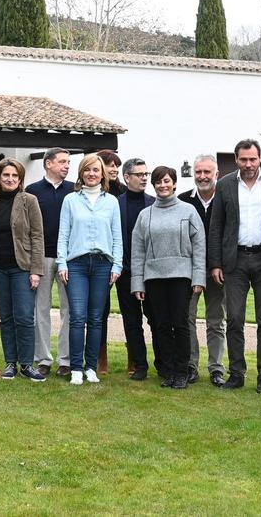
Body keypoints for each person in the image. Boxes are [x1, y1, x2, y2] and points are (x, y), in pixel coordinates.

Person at [208, 139, 261, 393]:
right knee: (234, 319)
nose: (249, 164)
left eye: (253, 159)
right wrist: (216, 263)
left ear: (260, 159)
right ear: (236, 160)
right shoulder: (224, 185)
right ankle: (237, 373)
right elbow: (216, 226)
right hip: (235, 261)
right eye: (243, 159)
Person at [130, 166, 205, 388]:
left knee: (180, 324)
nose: (163, 186)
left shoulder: (188, 211)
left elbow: (199, 246)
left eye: (166, 181)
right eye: (158, 182)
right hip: (154, 278)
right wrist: (138, 282)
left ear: (174, 183)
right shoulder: (145, 215)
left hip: (182, 276)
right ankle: (169, 371)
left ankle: (183, 371)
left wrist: (198, 278)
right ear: (154, 185)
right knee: (161, 325)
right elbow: (138, 251)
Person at [0, 158, 46, 382]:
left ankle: (27, 364)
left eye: (15, 176)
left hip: (22, 268)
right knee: (6, 317)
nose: (10, 179)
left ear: (20, 179)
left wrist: (36, 270)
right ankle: (10, 364)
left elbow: (37, 236)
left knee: (24, 317)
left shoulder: (29, 201)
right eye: (6, 175)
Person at [56, 153, 122, 386]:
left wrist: (117, 265)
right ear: (81, 173)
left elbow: (117, 237)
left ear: (102, 174)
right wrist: (62, 263)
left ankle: (91, 367)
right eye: (87, 170)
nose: (92, 174)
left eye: (96, 170)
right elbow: (63, 235)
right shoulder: (71, 200)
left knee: (95, 318)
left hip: (104, 265)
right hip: (77, 264)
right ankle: (75, 368)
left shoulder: (112, 202)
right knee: (77, 317)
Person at [180, 154, 227, 387]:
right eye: (198, 172)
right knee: (187, 318)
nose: (202, 176)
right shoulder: (183, 201)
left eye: (207, 172)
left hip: (218, 271)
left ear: (216, 174)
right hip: (189, 271)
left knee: (216, 320)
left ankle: (217, 368)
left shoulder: (227, 200)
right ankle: (190, 365)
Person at [25, 148, 72, 378]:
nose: (66, 165)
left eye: (68, 162)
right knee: (39, 310)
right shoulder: (32, 192)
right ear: (48, 164)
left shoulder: (75, 190)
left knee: (69, 311)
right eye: (62, 162)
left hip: (68, 258)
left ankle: (66, 360)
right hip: (40, 257)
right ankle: (42, 359)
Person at [115, 157, 154, 380]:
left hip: (151, 273)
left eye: (146, 174)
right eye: (140, 175)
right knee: (131, 321)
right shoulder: (115, 204)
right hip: (125, 272)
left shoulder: (154, 203)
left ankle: (163, 363)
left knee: (156, 320)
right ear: (126, 177)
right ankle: (140, 366)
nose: (144, 178)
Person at [93, 149, 125, 373]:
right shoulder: (94, 195)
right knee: (99, 311)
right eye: (109, 164)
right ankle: (99, 356)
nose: (114, 169)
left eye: (116, 165)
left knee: (129, 308)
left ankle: (134, 356)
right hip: (101, 259)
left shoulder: (123, 193)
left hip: (122, 258)